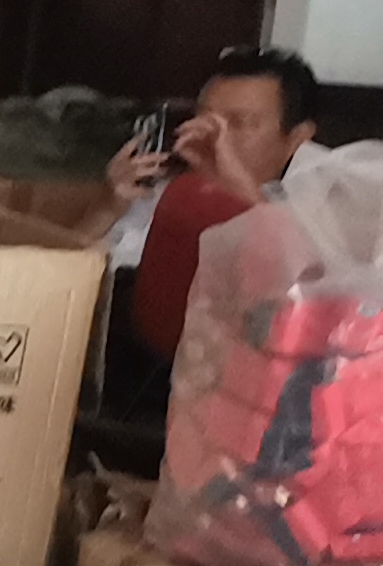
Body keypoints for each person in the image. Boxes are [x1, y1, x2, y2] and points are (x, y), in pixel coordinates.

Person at [110, 43, 323, 367]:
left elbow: (317, 298)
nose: (213, 137)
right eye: (205, 119)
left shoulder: (322, 206)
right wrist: (108, 204)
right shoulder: (172, 192)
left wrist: (241, 192)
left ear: (297, 139)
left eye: (239, 123)